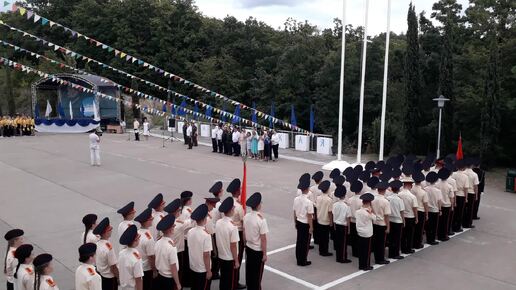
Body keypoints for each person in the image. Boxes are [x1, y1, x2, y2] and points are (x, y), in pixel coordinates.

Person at [243, 192, 268, 290]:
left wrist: (245, 243)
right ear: (258, 205)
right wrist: (265, 254)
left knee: (249, 271)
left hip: (249, 247)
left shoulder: (246, 217)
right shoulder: (261, 220)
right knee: (257, 274)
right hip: (257, 250)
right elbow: (263, 239)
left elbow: (244, 233)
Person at [215, 197, 240, 290]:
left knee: (223, 280)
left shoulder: (218, 222)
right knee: (230, 283)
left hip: (221, 256)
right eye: (233, 208)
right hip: (230, 258)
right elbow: (233, 245)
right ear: (231, 210)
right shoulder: (233, 227)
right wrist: (236, 260)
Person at [187, 204, 213, 290]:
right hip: (202, 269)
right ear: (205, 219)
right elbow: (206, 255)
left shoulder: (190, 231)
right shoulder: (206, 235)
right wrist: (208, 271)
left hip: (193, 266)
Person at [226, 179, 245, 288]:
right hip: (237, 233)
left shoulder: (227, 203)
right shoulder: (238, 206)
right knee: (237, 257)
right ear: (238, 191)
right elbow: (243, 222)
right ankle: (235, 281)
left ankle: (230, 280)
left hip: (227, 231)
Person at [155, 214, 181, 290]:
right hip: (169, 278)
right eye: (173, 226)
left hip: (160, 275)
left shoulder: (158, 242)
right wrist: (178, 283)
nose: (174, 227)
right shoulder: (171, 247)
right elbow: (173, 267)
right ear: (170, 229)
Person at [293, 175, 314, 266]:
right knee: (305, 243)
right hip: (305, 223)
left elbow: (294, 212)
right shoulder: (308, 202)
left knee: (299, 241)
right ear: (307, 189)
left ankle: (298, 259)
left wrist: (295, 222)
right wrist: (311, 227)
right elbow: (309, 215)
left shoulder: (296, 199)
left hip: (298, 221)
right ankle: (303, 260)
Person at [93, 218, 119, 290]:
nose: (111, 231)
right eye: (110, 230)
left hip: (101, 275)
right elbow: (113, 266)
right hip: (109, 278)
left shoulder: (97, 244)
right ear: (106, 232)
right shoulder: (108, 248)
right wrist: (118, 277)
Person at [134, 209, 156, 290]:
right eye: (151, 219)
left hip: (137, 267)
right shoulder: (149, 238)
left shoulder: (137, 233)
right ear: (147, 221)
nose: (152, 220)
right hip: (146, 269)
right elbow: (151, 257)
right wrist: (154, 270)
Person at [371, 182, 391, 265]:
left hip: (374, 222)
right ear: (384, 190)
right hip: (382, 223)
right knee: (381, 243)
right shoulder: (385, 201)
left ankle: (377, 258)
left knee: (376, 242)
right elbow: (386, 216)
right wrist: (388, 227)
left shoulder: (373, 199)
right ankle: (380, 259)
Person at [118, 225, 144, 290]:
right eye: (138, 238)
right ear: (135, 240)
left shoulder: (121, 253)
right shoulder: (136, 257)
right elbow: (138, 279)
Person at [355, 193, 376, 271]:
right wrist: (371, 211)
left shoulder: (358, 212)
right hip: (367, 233)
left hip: (360, 232)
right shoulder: (368, 213)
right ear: (369, 203)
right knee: (367, 251)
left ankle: (361, 265)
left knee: (361, 250)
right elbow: (375, 218)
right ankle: (366, 265)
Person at [332, 186, 352, 263]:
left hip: (336, 224)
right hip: (344, 226)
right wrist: (349, 229)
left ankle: (338, 257)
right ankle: (342, 258)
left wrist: (334, 225)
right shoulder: (346, 206)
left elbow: (334, 215)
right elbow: (348, 218)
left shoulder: (335, 205)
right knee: (343, 243)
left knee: (338, 242)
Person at [398, 177, 418, 254]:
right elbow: (415, 208)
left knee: (403, 234)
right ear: (410, 185)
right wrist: (416, 218)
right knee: (410, 234)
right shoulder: (412, 196)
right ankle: (408, 248)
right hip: (410, 216)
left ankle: (403, 248)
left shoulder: (399, 194)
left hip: (402, 216)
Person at [387, 180, 405, 259]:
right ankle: (395, 254)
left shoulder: (388, 198)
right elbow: (402, 211)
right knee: (397, 238)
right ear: (398, 190)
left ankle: (391, 253)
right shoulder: (399, 199)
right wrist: (404, 221)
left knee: (391, 238)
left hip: (390, 220)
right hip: (397, 220)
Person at [315, 180, 333, 256]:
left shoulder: (318, 198)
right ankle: (324, 251)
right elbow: (329, 212)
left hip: (319, 219)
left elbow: (316, 208)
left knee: (321, 236)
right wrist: (331, 221)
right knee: (325, 238)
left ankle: (320, 250)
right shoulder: (329, 200)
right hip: (326, 220)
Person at [424, 172, 443, 245]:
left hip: (428, 209)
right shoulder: (438, 191)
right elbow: (439, 201)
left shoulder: (425, 189)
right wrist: (440, 209)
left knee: (428, 225)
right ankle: (432, 240)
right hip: (435, 210)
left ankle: (428, 239)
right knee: (434, 226)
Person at [412, 171, 429, 249]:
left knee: (413, 228)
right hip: (420, 210)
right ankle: (417, 243)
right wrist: (427, 214)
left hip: (412, 210)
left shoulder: (411, 189)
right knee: (419, 229)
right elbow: (425, 204)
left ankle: (411, 243)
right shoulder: (423, 192)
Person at [452, 160, 470, 233]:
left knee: (454, 212)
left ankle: (452, 226)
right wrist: (466, 198)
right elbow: (466, 188)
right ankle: (457, 227)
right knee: (460, 212)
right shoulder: (465, 176)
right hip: (461, 195)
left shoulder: (453, 174)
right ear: (464, 167)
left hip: (454, 194)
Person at [437, 168, 454, 242]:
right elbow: (451, 197)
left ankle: (438, 234)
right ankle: (443, 235)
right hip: (446, 205)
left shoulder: (436, 184)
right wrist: (452, 206)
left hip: (438, 205)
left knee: (439, 220)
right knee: (445, 221)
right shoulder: (449, 186)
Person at [348, 180, 364, 258]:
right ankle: (358, 252)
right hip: (358, 220)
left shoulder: (350, 199)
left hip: (351, 220)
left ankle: (354, 252)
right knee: (359, 237)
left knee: (353, 237)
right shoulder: (361, 201)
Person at [464, 158, 480, 229]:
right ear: (472, 166)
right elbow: (476, 186)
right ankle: (468, 223)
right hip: (471, 192)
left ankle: (462, 221)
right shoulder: (474, 174)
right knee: (470, 209)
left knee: (463, 208)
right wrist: (476, 195)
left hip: (463, 192)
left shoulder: (463, 172)